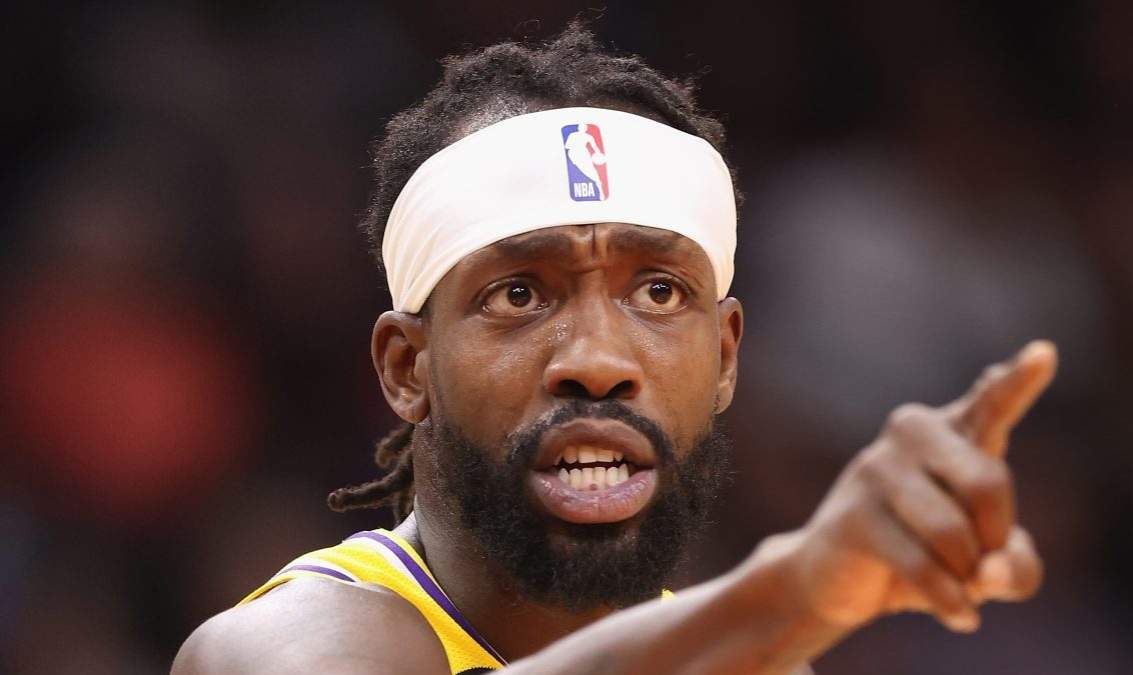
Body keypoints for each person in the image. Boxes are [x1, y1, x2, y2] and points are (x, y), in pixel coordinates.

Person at [172, 25, 1055, 674]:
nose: (597, 359)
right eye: (519, 294)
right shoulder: (280, 645)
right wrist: (792, 591)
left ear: (726, 357)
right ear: (408, 368)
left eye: (658, 292)